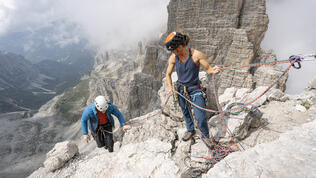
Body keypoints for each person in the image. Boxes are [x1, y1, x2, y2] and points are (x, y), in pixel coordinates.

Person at [165, 32, 220, 145]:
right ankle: (190, 130)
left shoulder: (196, 55)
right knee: (186, 112)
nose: (173, 53)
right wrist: (171, 88)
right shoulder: (174, 58)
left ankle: (205, 136)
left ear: (180, 47)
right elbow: (168, 74)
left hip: (195, 89)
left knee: (200, 116)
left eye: (174, 50)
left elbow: (208, 69)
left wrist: (213, 70)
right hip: (181, 89)